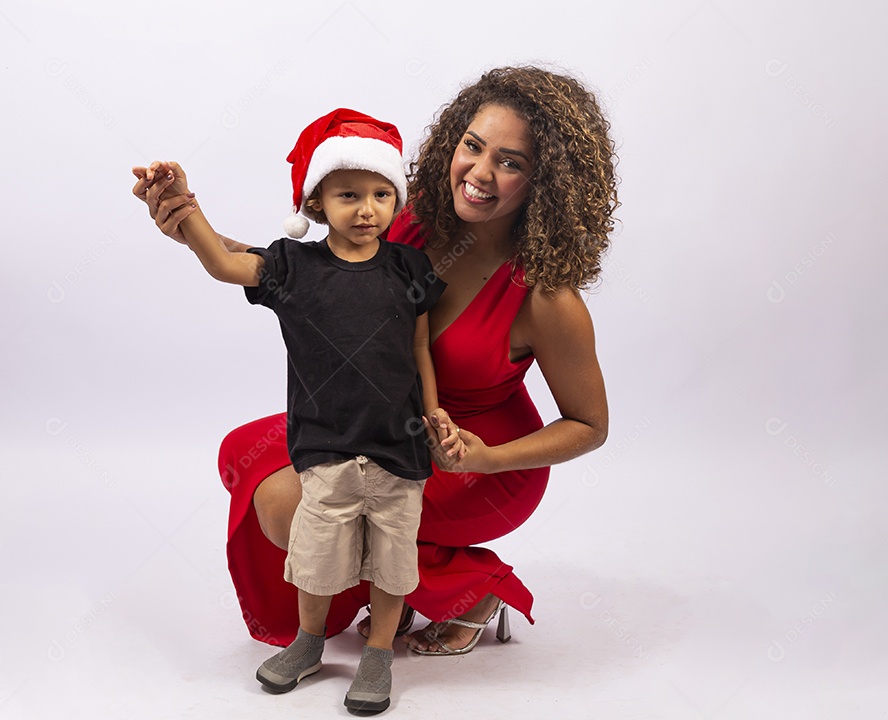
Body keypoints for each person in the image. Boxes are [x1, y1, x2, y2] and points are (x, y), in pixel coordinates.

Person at [131, 65, 616, 658]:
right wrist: (191, 226)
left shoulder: (546, 296)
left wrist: (489, 459)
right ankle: (400, 583)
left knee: (291, 506)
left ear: (546, 182)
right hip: (378, 416)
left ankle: (469, 590)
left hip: (473, 455)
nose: (480, 173)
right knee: (244, 453)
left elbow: (590, 425)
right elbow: (300, 271)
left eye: (510, 162)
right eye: (472, 146)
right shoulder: (406, 221)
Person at [141, 108, 466, 713]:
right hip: (325, 447)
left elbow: (419, 347)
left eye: (379, 194)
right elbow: (223, 262)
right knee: (316, 561)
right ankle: (309, 642)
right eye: (348, 195)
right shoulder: (295, 267)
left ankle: (376, 654)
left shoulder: (410, 269)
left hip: (400, 448)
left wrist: (434, 411)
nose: (366, 209)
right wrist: (186, 209)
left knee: (394, 564)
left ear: (395, 200)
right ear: (317, 203)